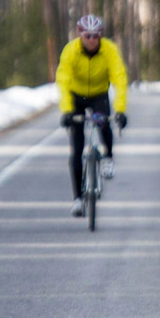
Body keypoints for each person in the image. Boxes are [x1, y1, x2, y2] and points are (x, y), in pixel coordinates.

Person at [56, 14, 128, 217]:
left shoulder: (109, 50)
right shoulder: (71, 51)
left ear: (101, 36)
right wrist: (67, 111)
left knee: (104, 121)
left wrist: (121, 110)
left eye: (96, 36)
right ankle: (77, 198)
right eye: (87, 36)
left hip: (98, 95)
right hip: (76, 96)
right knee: (76, 149)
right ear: (80, 35)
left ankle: (108, 158)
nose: (92, 40)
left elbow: (119, 79)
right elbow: (63, 81)